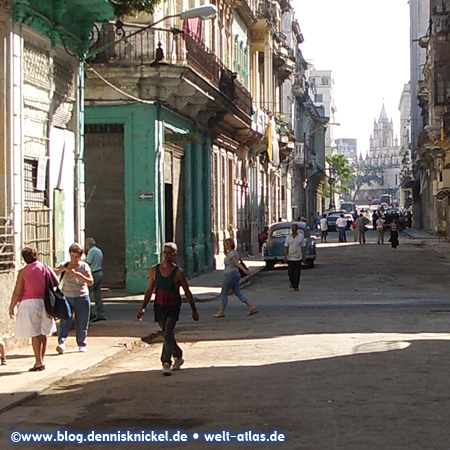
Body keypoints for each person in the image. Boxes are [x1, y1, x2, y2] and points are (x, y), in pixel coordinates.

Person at [137, 243, 199, 376]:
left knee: (168, 331)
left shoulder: (178, 273)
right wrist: (143, 307)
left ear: (174, 255)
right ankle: (178, 354)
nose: (166, 255)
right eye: (164, 252)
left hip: (173, 306)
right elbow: (149, 290)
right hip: (159, 306)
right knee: (166, 333)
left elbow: (187, 292)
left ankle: (166, 362)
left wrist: (194, 310)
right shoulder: (154, 270)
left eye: (169, 253)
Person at [8, 247, 56, 371]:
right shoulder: (45, 267)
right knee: (43, 332)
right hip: (44, 303)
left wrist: (12, 306)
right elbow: (54, 282)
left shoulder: (23, 272)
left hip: (29, 304)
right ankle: (42, 360)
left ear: (24, 258)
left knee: (34, 334)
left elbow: (18, 291)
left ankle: (38, 362)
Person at [54, 243, 94, 354]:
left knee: (82, 321)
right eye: (72, 256)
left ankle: (81, 344)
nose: (74, 259)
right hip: (67, 297)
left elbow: (91, 282)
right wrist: (64, 269)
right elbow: (53, 272)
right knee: (64, 320)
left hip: (82, 297)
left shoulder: (84, 266)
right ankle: (61, 342)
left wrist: (80, 276)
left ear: (80, 257)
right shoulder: (65, 264)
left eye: (76, 257)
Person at [214, 238, 257, 318]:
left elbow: (237, 263)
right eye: (224, 244)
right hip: (235, 274)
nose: (225, 245)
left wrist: (245, 270)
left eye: (226, 244)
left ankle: (221, 312)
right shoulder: (232, 253)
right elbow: (226, 255)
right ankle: (251, 306)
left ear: (230, 244)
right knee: (237, 292)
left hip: (230, 275)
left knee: (224, 292)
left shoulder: (232, 254)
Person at [85, 238, 105, 322]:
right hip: (99, 272)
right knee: (97, 295)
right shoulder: (98, 250)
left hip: (93, 273)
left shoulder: (91, 252)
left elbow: (87, 263)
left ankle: (91, 313)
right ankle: (101, 314)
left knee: (86, 294)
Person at [284, 224, 307, 291]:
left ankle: (296, 285)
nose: (293, 229)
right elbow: (286, 247)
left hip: (298, 257)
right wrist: (285, 256)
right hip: (290, 257)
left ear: (297, 229)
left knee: (297, 272)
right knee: (290, 272)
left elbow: (303, 247)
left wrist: (304, 256)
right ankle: (292, 283)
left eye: (295, 228)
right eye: (292, 228)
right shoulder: (288, 237)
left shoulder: (301, 237)